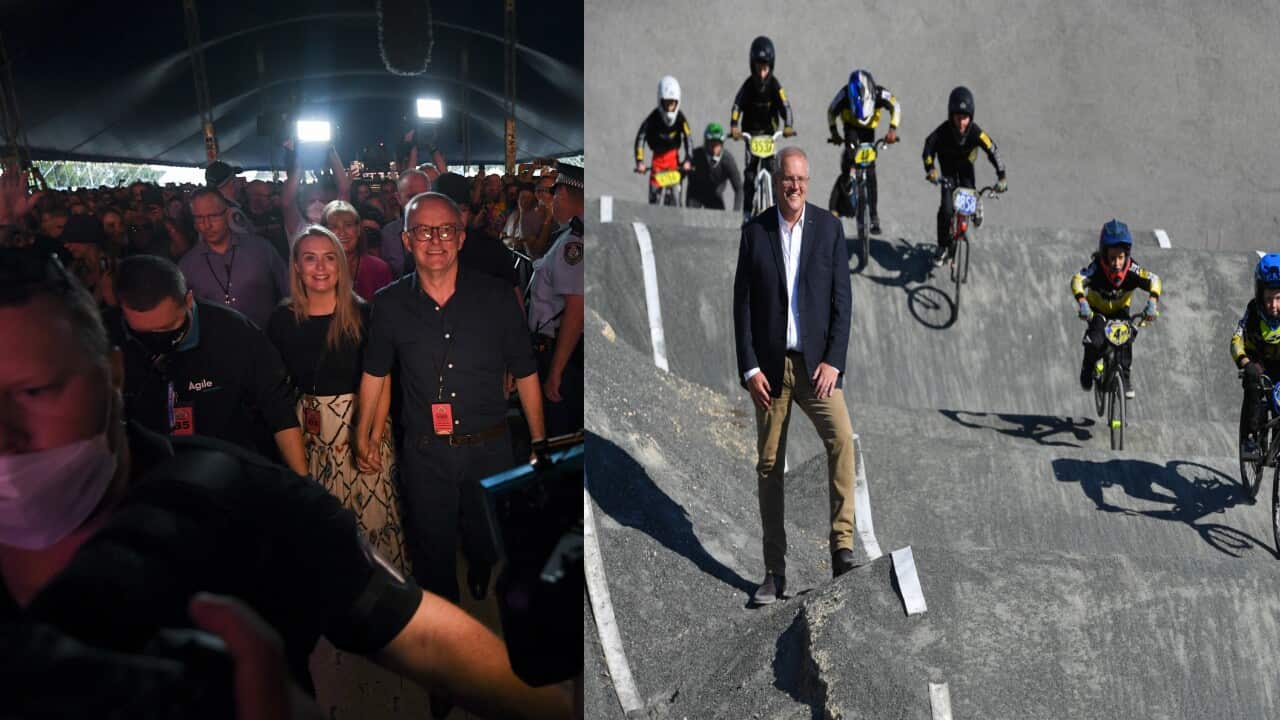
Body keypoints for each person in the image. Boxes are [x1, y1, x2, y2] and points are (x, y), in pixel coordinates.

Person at [0, 246, 571, 720]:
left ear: (114, 375)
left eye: (34, 392)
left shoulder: (242, 499)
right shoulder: (280, 318)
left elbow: (420, 634)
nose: (5, 436)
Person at [355, 192, 550, 607]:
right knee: (431, 551)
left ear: (461, 237)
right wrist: (362, 434)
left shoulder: (497, 297)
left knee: (485, 535)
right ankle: (445, 620)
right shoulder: (389, 303)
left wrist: (539, 442)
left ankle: (481, 567)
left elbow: (526, 371)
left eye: (445, 230)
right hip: (425, 453)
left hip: (490, 449)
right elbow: (375, 373)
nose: (436, 240)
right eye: (423, 231)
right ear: (407, 240)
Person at [265, 226, 426, 719]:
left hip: (362, 424)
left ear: (342, 263)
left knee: (376, 524)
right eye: (308, 259)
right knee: (329, 527)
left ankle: (390, 614)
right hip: (310, 434)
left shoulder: (363, 314)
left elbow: (385, 379)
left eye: (327, 259)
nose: (318, 268)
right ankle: (339, 605)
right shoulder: (280, 321)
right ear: (296, 267)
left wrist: (372, 434)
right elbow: (277, 393)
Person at [731, 146, 856, 606]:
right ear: (776, 179)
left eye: (802, 180)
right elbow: (742, 307)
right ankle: (773, 572)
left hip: (816, 366)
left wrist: (833, 362)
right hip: (770, 369)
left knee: (842, 440)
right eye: (788, 179)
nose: (796, 187)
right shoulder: (755, 233)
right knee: (769, 466)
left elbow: (842, 302)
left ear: (809, 181)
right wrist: (749, 369)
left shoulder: (830, 230)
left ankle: (842, 549)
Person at [113, 254, 309, 477]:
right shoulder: (110, 340)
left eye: (168, 329)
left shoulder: (234, 333)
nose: (157, 340)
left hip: (230, 477)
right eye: (144, 334)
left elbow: (278, 410)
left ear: (188, 300)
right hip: (152, 482)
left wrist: (303, 483)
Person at [1071, 219, 1161, 398]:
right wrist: (1082, 302)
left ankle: (1125, 378)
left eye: (1121, 257)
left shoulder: (1132, 270)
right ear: (1104, 255)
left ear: (1126, 255)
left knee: (1126, 339)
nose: (1117, 263)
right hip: (1097, 311)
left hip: (1121, 311)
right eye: (1112, 258)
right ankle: (1088, 366)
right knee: (1095, 341)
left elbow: (1154, 280)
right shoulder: (1096, 269)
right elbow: (1077, 280)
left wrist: (1152, 301)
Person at [528, 163, 585, 438]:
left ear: (562, 192)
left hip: (563, 352)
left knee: (560, 431)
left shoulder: (574, 243)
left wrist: (556, 370)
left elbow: (576, 309)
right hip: (565, 350)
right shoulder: (570, 234)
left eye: (555, 195)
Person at [178, 188, 289, 329]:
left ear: (228, 214)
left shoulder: (261, 249)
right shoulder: (187, 264)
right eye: (199, 218)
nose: (207, 225)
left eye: (213, 216)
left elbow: (289, 290)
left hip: (265, 341)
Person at [921, 86, 1007, 262]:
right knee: (946, 210)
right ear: (951, 116)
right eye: (958, 117)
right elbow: (928, 148)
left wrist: (1002, 176)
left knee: (969, 191)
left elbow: (993, 150)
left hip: (966, 170)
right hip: (947, 173)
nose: (961, 123)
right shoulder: (942, 132)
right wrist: (930, 169)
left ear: (971, 117)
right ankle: (942, 246)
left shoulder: (976, 133)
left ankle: (976, 203)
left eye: (965, 118)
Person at [825, 69, 900, 234]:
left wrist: (892, 129)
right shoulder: (844, 95)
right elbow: (831, 111)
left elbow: (895, 105)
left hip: (869, 133)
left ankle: (873, 216)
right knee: (849, 160)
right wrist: (835, 133)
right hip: (851, 129)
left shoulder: (880, 93)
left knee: (871, 170)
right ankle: (838, 204)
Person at [729, 36, 796, 220]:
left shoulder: (775, 85)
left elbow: (785, 105)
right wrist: (734, 126)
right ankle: (746, 214)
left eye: (765, 66)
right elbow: (737, 105)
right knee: (750, 175)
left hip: (769, 135)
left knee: (775, 175)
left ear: (771, 65)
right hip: (750, 136)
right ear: (752, 65)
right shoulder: (748, 85)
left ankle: (776, 212)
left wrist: (788, 125)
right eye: (758, 66)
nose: (761, 71)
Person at [1234, 253, 1280, 461]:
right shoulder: (1253, 312)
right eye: (1269, 299)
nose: (1274, 305)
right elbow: (1236, 340)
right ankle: (1250, 438)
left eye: (1279, 298)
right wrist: (1245, 362)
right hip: (1259, 365)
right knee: (1253, 384)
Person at [633, 75, 693, 206]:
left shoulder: (681, 118)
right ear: (660, 101)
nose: (670, 107)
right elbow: (640, 139)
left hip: (673, 161)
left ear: (677, 102)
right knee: (654, 199)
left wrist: (688, 160)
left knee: (676, 198)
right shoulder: (653, 118)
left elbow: (688, 139)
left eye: (672, 103)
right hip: (657, 162)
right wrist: (640, 162)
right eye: (666, 103)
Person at [320, 200, 395, 300]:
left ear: (358, 230)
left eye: (348, 225)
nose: (342, 232)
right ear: (325, 232)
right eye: (334, 227)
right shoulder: (318, 269)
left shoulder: (379, 268)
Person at [379, 169, 430, 276]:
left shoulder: (444, 230)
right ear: (398, 198)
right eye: (412, 197)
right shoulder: (388, 234)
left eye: (424, 196)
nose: (418, 202)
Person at [686, 122, 743, 212]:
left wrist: (736, 213)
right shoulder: (696, 155)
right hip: (696, 194)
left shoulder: (727, 160)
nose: (714, 148)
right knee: (689, 219)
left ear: (722, 144)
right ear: (706, 143)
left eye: (717, 144)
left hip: (715, 195)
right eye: (711, 143)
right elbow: (682, 172)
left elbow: (739, 188)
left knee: (719, 223)